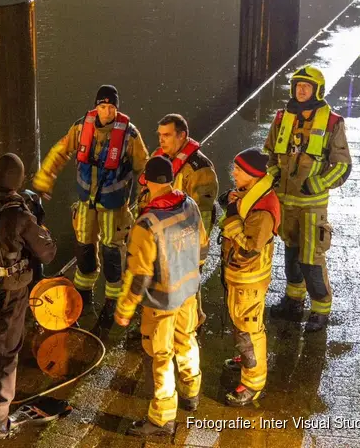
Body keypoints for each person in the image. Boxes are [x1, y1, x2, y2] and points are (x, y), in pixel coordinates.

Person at [33, 85, 149, 328]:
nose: (106, 111)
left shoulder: (130, 134)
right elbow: (60, 151)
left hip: (114, 205)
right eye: (103, 106)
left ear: (117, 108)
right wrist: (45, 179)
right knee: (84, 248)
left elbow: (143, 168)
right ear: (96, 106)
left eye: (111, 107)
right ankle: (84, 295)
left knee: (112, 251)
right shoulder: (81, 127)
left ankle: (112, 300)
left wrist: (146, 202)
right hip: (87, 202)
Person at [0, 153, 57, 439]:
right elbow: (48, 253)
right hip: (11, 295)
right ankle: (0, 420)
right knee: (7, 353)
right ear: (17, 180)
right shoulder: (19, 213)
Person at [114, 155, 207, 437]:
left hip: (161, 302)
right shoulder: (189, 204)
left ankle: (162, 418)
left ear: (148, 182)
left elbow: (139, 275)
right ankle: (191, 393)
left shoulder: (146, 224)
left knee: (161, 356)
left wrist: (125, 309)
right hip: (189, 292)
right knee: (187, 341)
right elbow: (202, 246)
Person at [264, 65, 351, 332]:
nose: (301, 90)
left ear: (317, 90)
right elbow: (269, 154)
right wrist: (274, 174)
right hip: (286, 202)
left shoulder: (332, 122)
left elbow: (342, 164)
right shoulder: (281, 118)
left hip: (312, 205)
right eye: (298, 86)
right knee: (291, 253)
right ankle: (293, 301)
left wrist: (318, 183)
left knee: (311, 258)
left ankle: (320, 309)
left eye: (306, 86)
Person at [138, 114, 218, 326]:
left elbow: (201, 216)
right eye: (160, 135)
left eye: (167, 135)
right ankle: (162, 324)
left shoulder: (199, 169)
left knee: (187, 289)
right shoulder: (161, 159)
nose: (161, 140)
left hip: (180, 243)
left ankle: (192, 324)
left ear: (182, 136)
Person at [218, 148, 280, 406]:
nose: (233, 172)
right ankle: (246, 360)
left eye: (238, 170)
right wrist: (231, 202)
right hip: (239, 277)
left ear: (252, 176)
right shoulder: (251, 196)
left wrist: (232, 218)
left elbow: (248, 248)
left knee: (249, 329)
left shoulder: (263, 210)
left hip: (248, 279)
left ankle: (253, 383)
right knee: (239, 322)